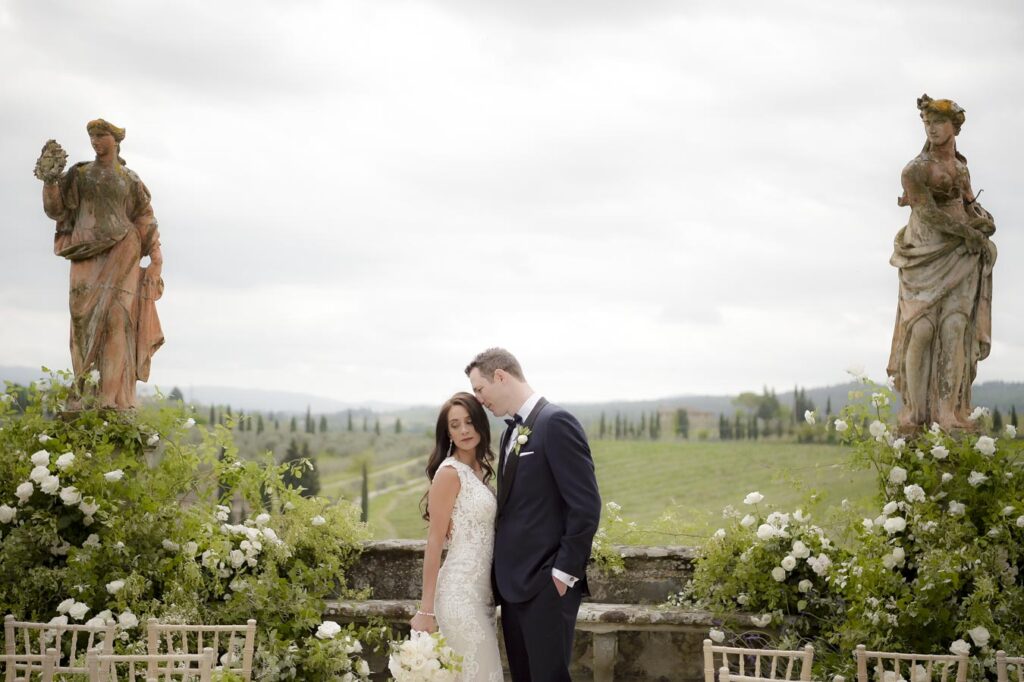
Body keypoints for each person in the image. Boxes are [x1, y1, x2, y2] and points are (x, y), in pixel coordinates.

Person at [466, 348, 601, 682]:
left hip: (545, 587)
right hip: (513, 588)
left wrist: (562, 574)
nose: (480, 400)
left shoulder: (555, 423)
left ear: (500, 376)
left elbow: (585, 506)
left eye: (479, 389)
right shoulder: (510, 431)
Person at [887, 95, 997, 431]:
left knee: (954, 329)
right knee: (920, 329)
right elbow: (929, 214)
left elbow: (967, 205)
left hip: (959, 255)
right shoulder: (915, 169)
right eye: (927, 122)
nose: (931, 129)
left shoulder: (961, 168)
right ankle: (916, 414)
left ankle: (950, 414)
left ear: (954, 127)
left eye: (937, 122)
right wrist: (970, 234)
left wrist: (983, 222)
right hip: (925, 254)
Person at [38, 119, 164, 410]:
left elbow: (145, 217)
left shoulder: (129, 179)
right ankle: (85, 393)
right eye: (92, 136)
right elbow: (56, 211)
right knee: (83, 323)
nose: (96, 141)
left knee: (117, 321)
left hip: (124, 250)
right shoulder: (80, 175)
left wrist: (156, 257)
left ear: (115, 140)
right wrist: (49, 182)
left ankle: (109, 398)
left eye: (101, 135)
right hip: (86, 252)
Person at [410, 392, 503, 681]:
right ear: (447, 432)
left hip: (482, 597)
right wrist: (426, 610)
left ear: (480, 425)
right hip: (458, 597)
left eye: (469, 421)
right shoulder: (449, 473)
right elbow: (435, 541)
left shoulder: (478, 472)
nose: (464, 430)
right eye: (455, 424)